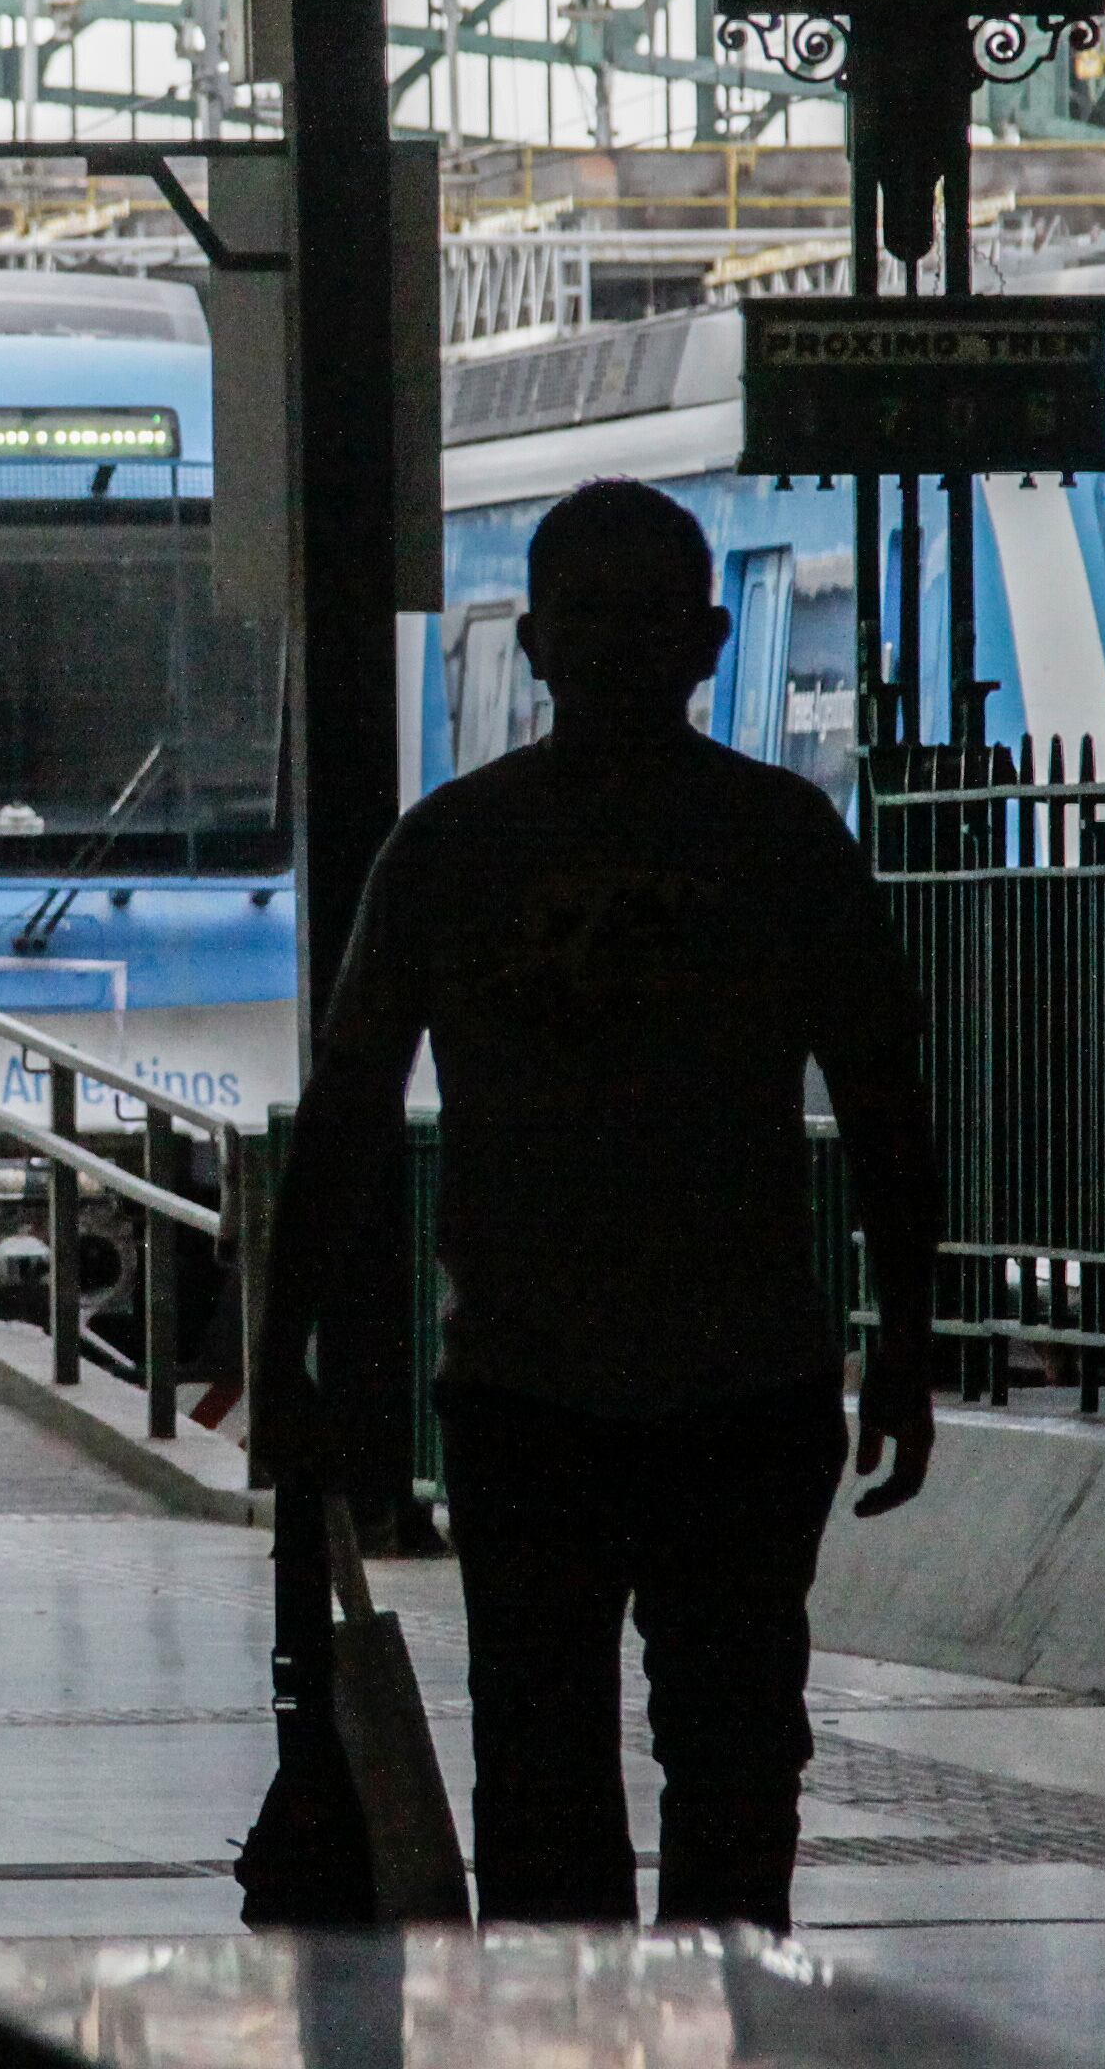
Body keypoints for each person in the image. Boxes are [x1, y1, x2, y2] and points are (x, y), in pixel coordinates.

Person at [260, 477, 937, 1936]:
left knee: (545, 1762)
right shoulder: (781, 841)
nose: (622, 649)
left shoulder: (450, 849)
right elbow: (884, 1093)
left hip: (536, 1388)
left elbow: (349, 1107)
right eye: (597, 616)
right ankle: (721, 2051)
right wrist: (905, 1338)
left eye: (639, 619)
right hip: (727, 1383)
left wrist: (283, 1352)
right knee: (738, 1755)